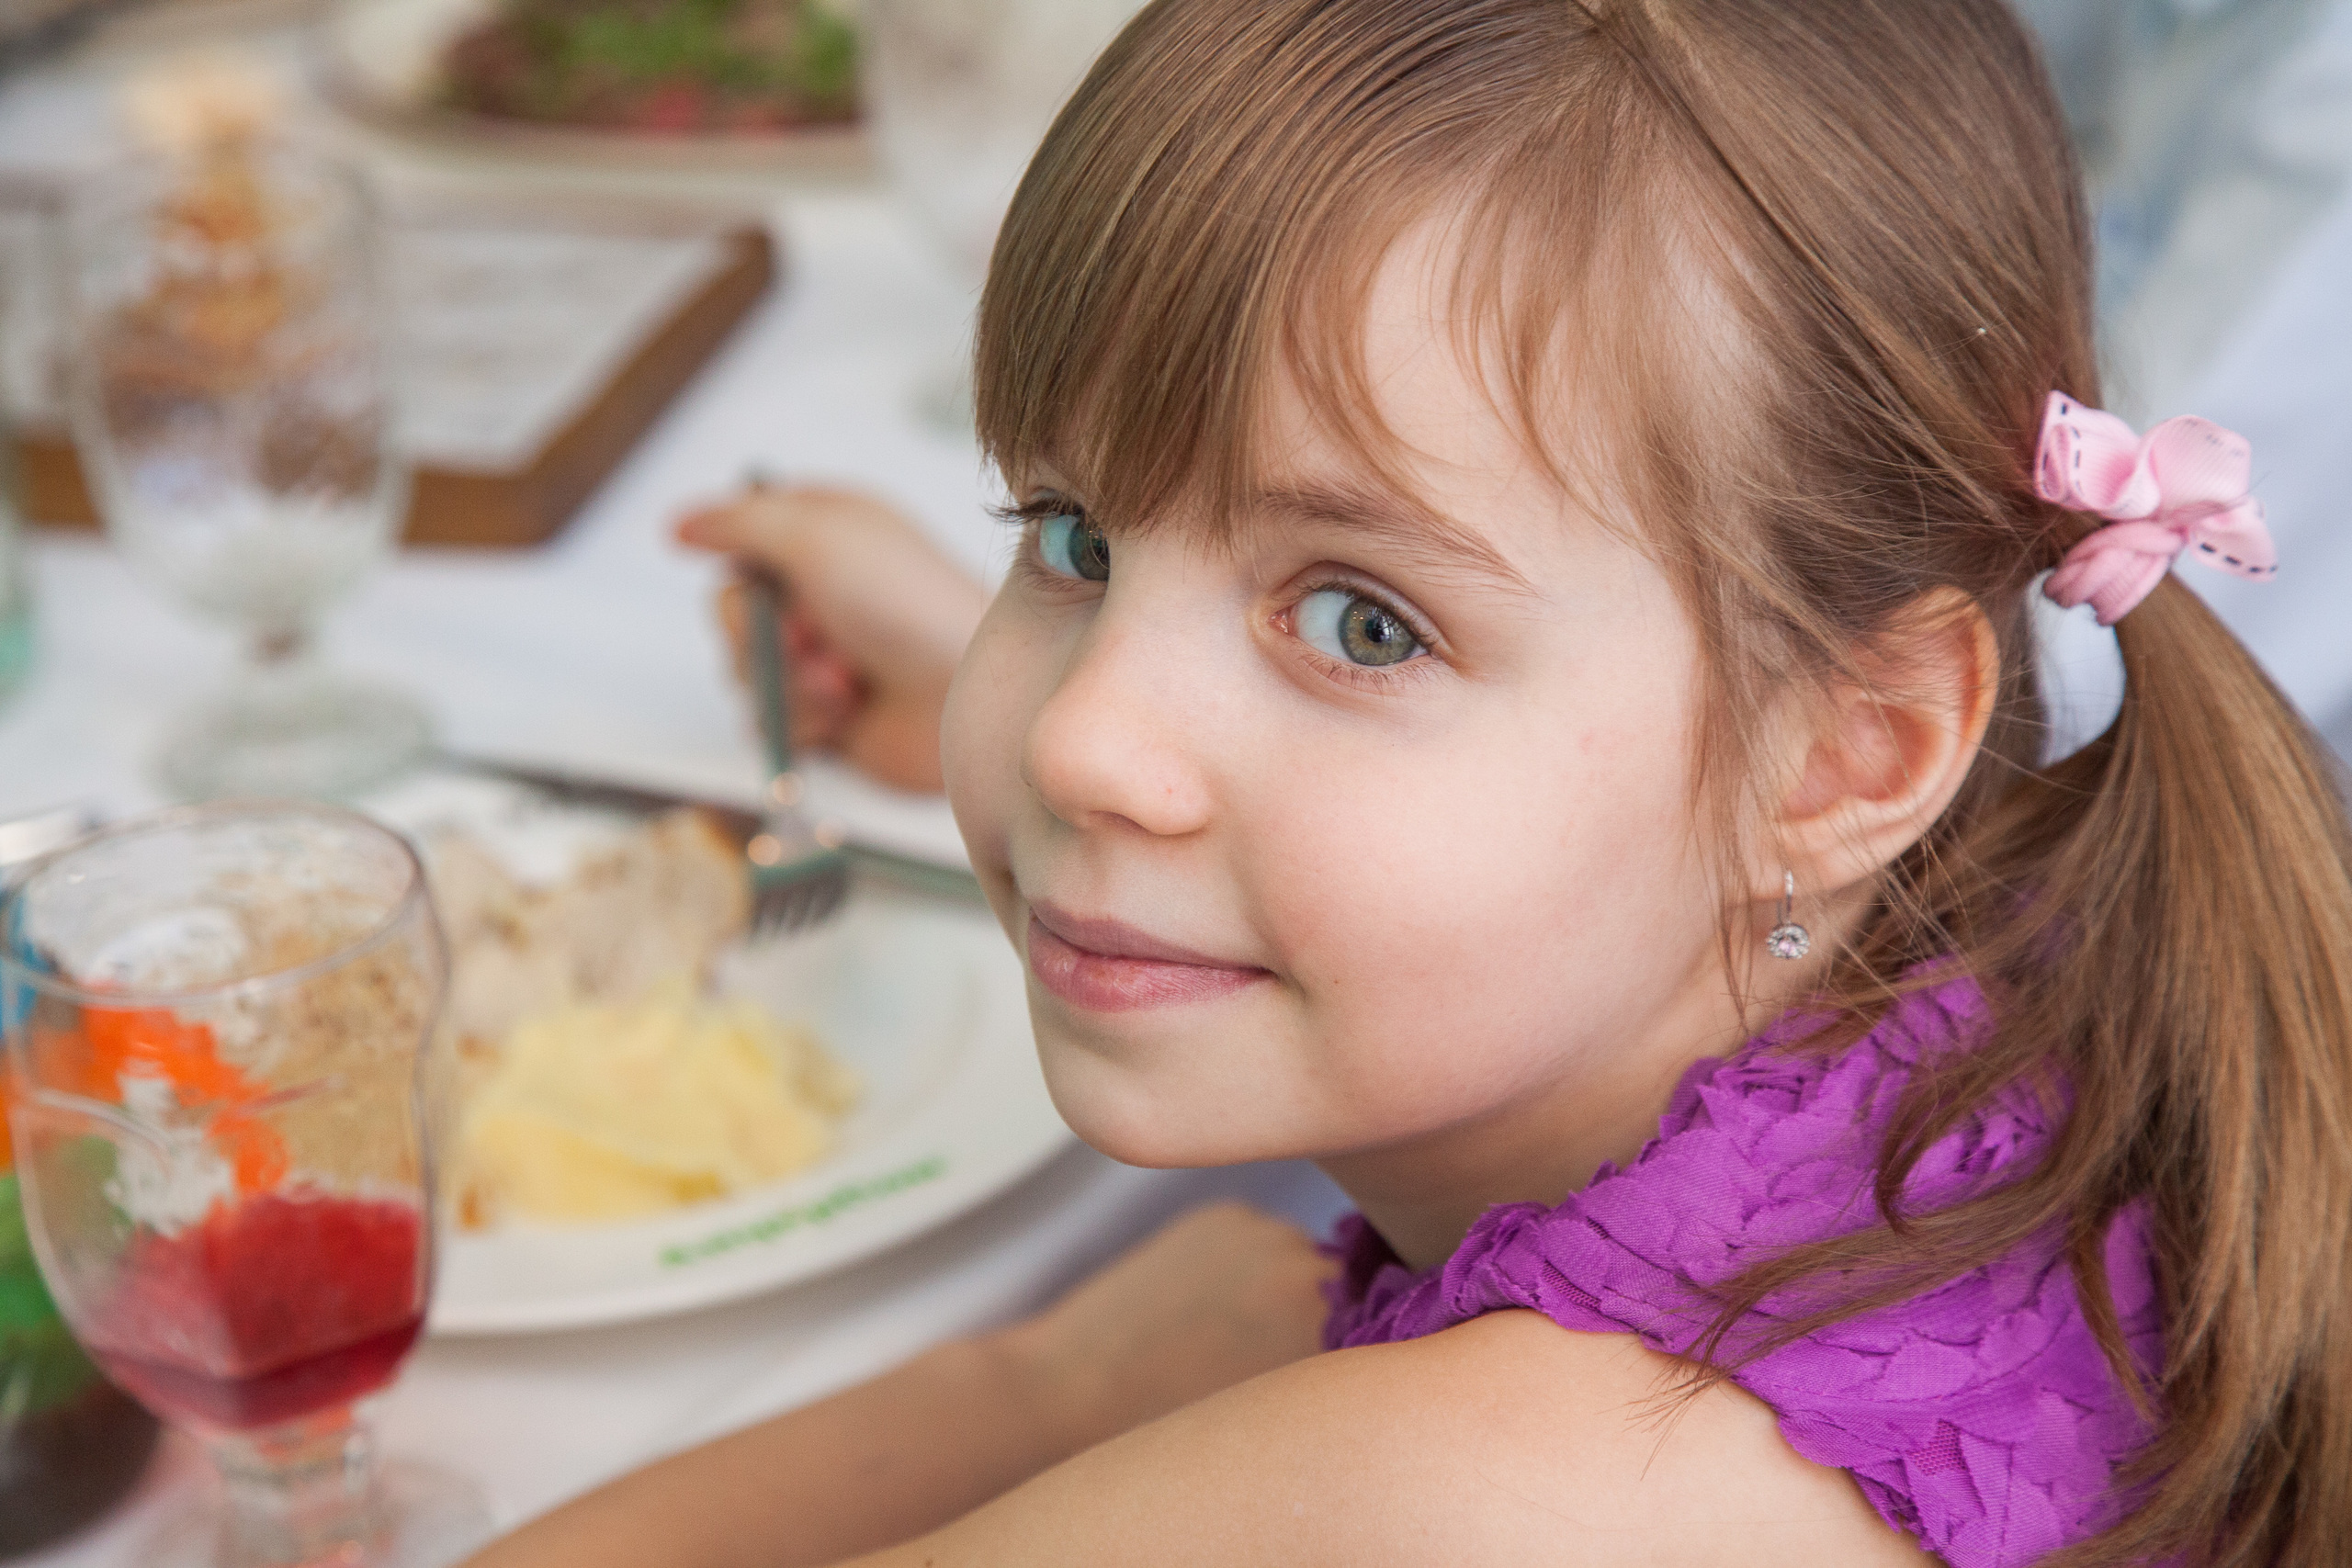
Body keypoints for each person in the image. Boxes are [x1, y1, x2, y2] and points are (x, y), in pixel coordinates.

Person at [471, 1, 2352, 1563]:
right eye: (1068, 531)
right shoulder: (2048, 927)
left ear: (1850, 745)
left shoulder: (1464, 1498)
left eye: (1362, 623)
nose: (1074, 739)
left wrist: (1040, 1386)